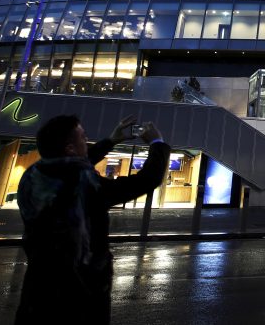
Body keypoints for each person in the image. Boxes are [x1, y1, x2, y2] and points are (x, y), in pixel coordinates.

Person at [15, 114, 171, 325]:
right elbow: (145, 181)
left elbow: (74, 163)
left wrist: (111, 141)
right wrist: (157, 143)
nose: (86, 140)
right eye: (82, 137)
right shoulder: (84, 182)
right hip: (78, 290)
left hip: (39, 282)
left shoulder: (33, 175)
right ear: (70, 148)